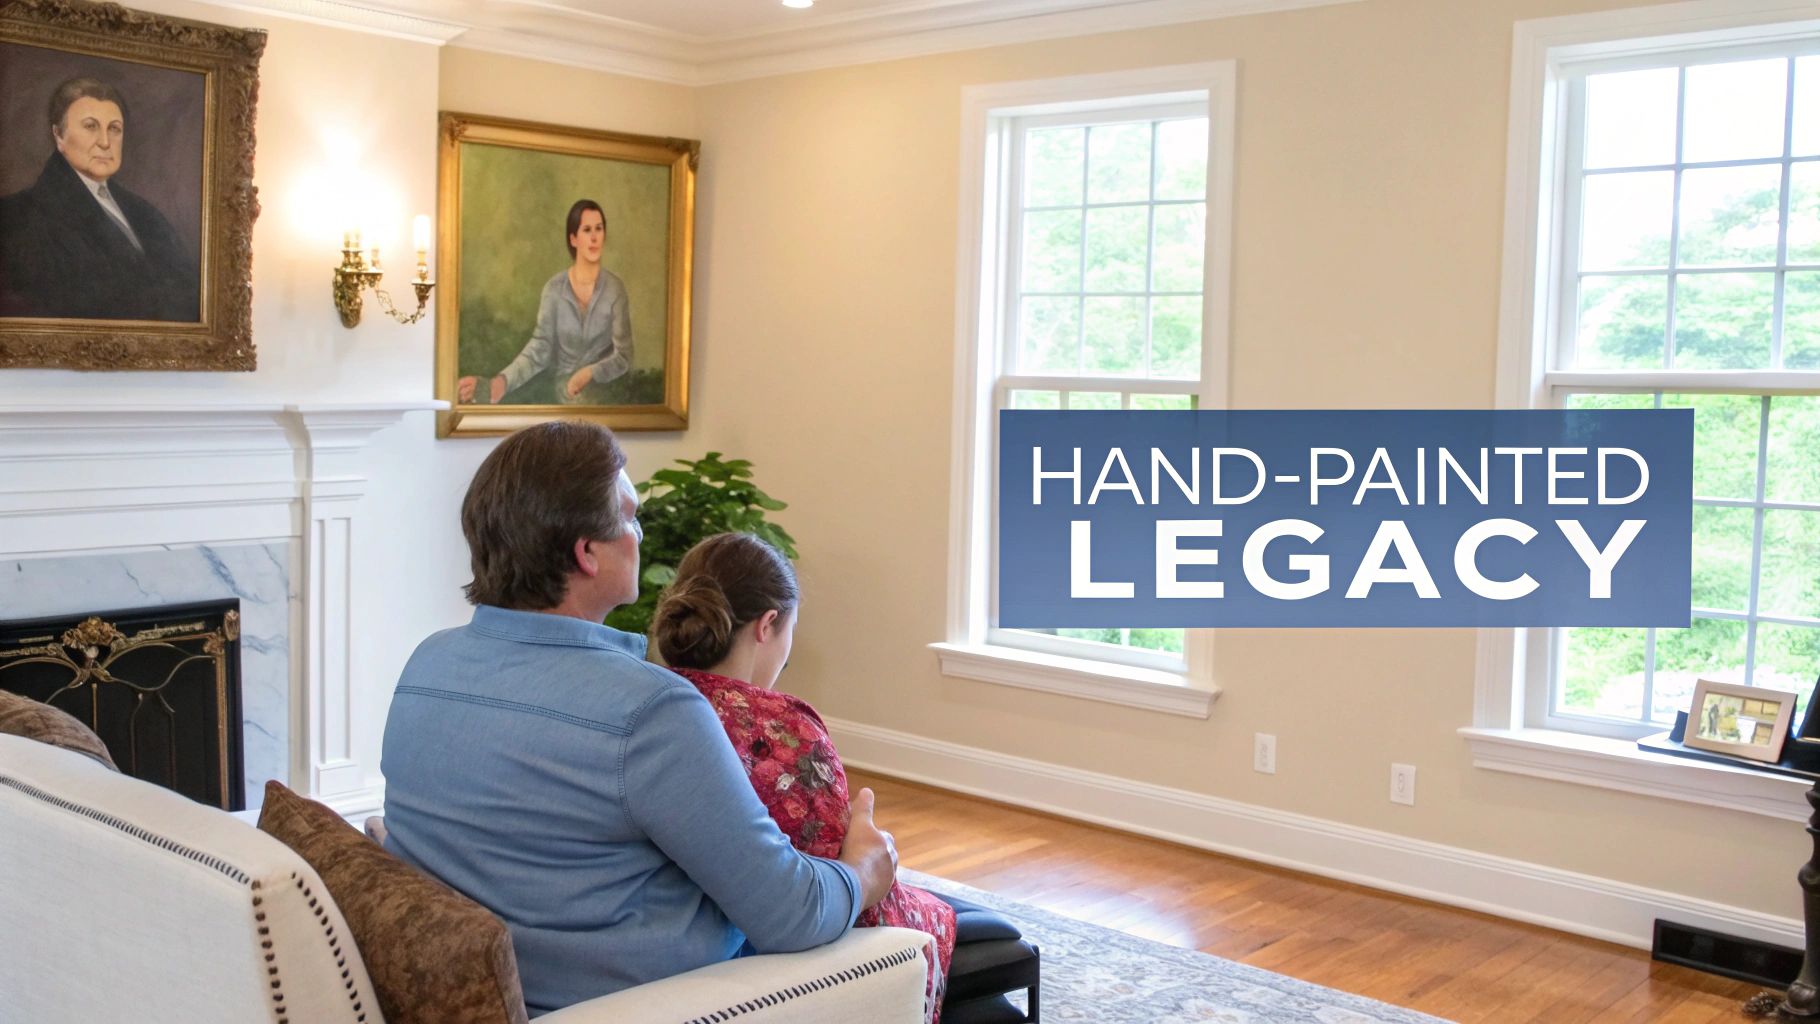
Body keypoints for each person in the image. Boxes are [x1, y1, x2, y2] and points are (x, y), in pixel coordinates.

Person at [378, 421, 899, 1016]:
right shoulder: (651, 711)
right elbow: (794, 914)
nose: (640, 532)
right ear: (586, 552)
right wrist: (864, 868)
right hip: (645, 1004)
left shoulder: (427, 663)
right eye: (629, 517)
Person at [652, 532, 958, 1024]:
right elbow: (847, 894)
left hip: (690, 926)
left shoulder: (652, 701)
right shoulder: (780, 728)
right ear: (767, 624)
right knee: (941, 916)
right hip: (791, 938)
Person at [0, 77, 199, 321]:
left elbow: (190, 293)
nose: (105, 142)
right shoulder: (18, 216)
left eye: (114, 129)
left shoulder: (145, 213)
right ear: (59, 136)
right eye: (90, 126)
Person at [458, 199, 632, 406]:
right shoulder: (554, 289)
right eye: (587, 230)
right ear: (574, 239)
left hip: (605, 401)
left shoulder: (615, 289)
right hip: (559, 399)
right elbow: (540, 348)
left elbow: (624, 357)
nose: (594, 237)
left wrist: (589, 373)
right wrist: (501, 383)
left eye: (599, 229)